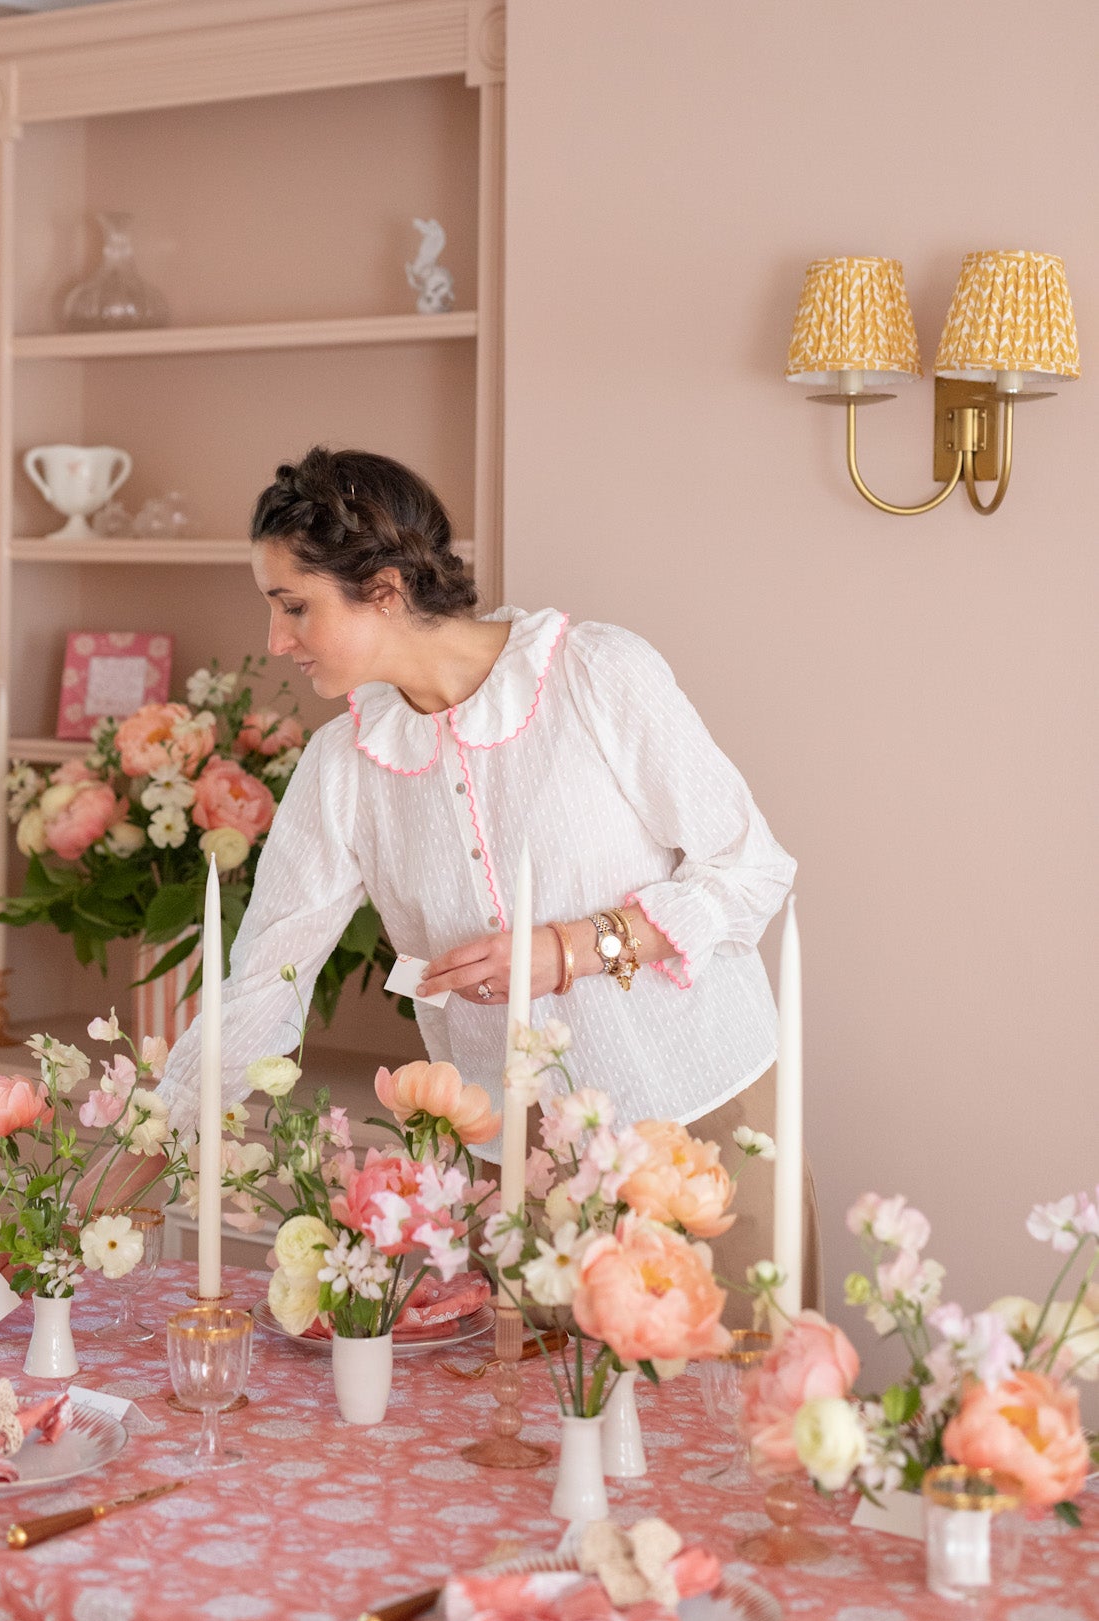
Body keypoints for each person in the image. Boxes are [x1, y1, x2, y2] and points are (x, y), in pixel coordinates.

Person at [160, 446, 813, 1299]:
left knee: (729, 1410)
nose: (275, 641)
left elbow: (751, 870)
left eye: (293, 607)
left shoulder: (595, 674)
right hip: (519, 1155)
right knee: (541, 1420)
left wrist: (570, 949)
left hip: (697, 1115)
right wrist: (157, 1139)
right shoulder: (343, 764)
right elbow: (264, 980)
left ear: (385, 590)